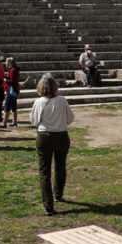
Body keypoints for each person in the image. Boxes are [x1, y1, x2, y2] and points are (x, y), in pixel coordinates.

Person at [30, 73, 75, 216]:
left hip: (45, 136)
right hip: (62, 135)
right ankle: (58, 194)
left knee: (44, 171)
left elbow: (34, 121)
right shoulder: (62, 100)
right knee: (60, 166)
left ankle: (48, 205)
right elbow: (70, 119)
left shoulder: (39, 102)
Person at [0, 57, 20, 128]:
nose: (5, 63)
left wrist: (5, 80)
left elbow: (12, 81)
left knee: (7, 107)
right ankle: (14, 122)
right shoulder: (14, 70)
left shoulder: (12, 70)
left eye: (6, 62)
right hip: (14, 90)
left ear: (9, 63)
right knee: (14, 107)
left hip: (11, 91)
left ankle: (4, 123)